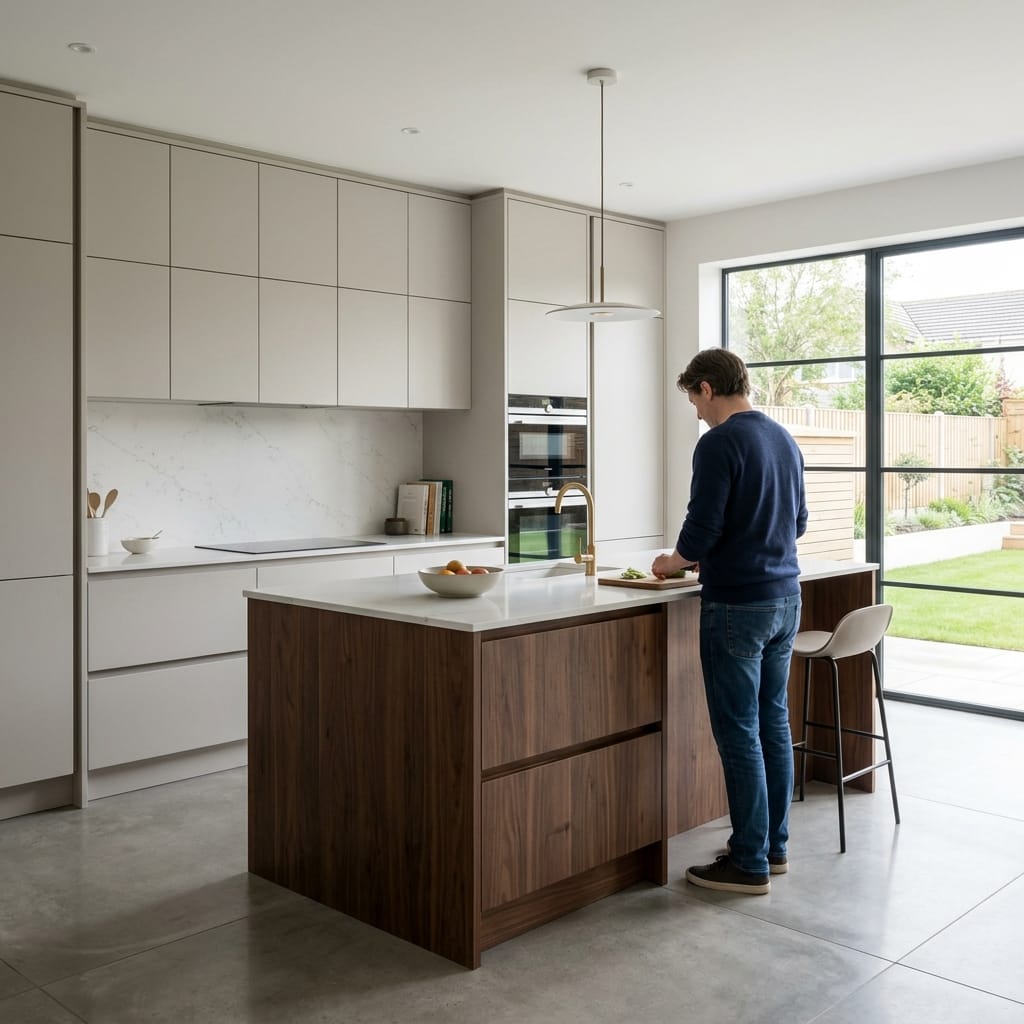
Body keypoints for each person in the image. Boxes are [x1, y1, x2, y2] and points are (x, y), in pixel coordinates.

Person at [652, 348, 807, 895]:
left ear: (707, 388)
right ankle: (774, 847)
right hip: (786, 598)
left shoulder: (718, 442)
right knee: (772, 724)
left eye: (693, 398)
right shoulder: (782, 438)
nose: (695, 411)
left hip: (738, 605)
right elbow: (800, 521)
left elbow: (701, 530)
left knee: (740, 733)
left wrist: (675, 561)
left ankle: (747, 863)